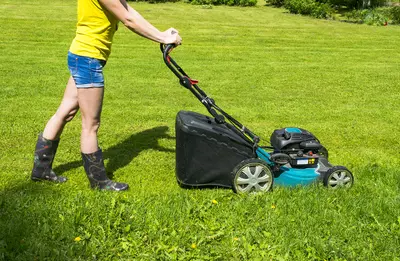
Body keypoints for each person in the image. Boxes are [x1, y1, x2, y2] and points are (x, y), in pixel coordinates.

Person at [31, 0, 182, 191]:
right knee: (90, 124)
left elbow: (128, 11)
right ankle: (99, 182)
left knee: (66, 111)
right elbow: (128, 19)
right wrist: (162, 37)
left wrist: (162, 33)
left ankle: (41, 170)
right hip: (88, 59)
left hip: (81, 55)